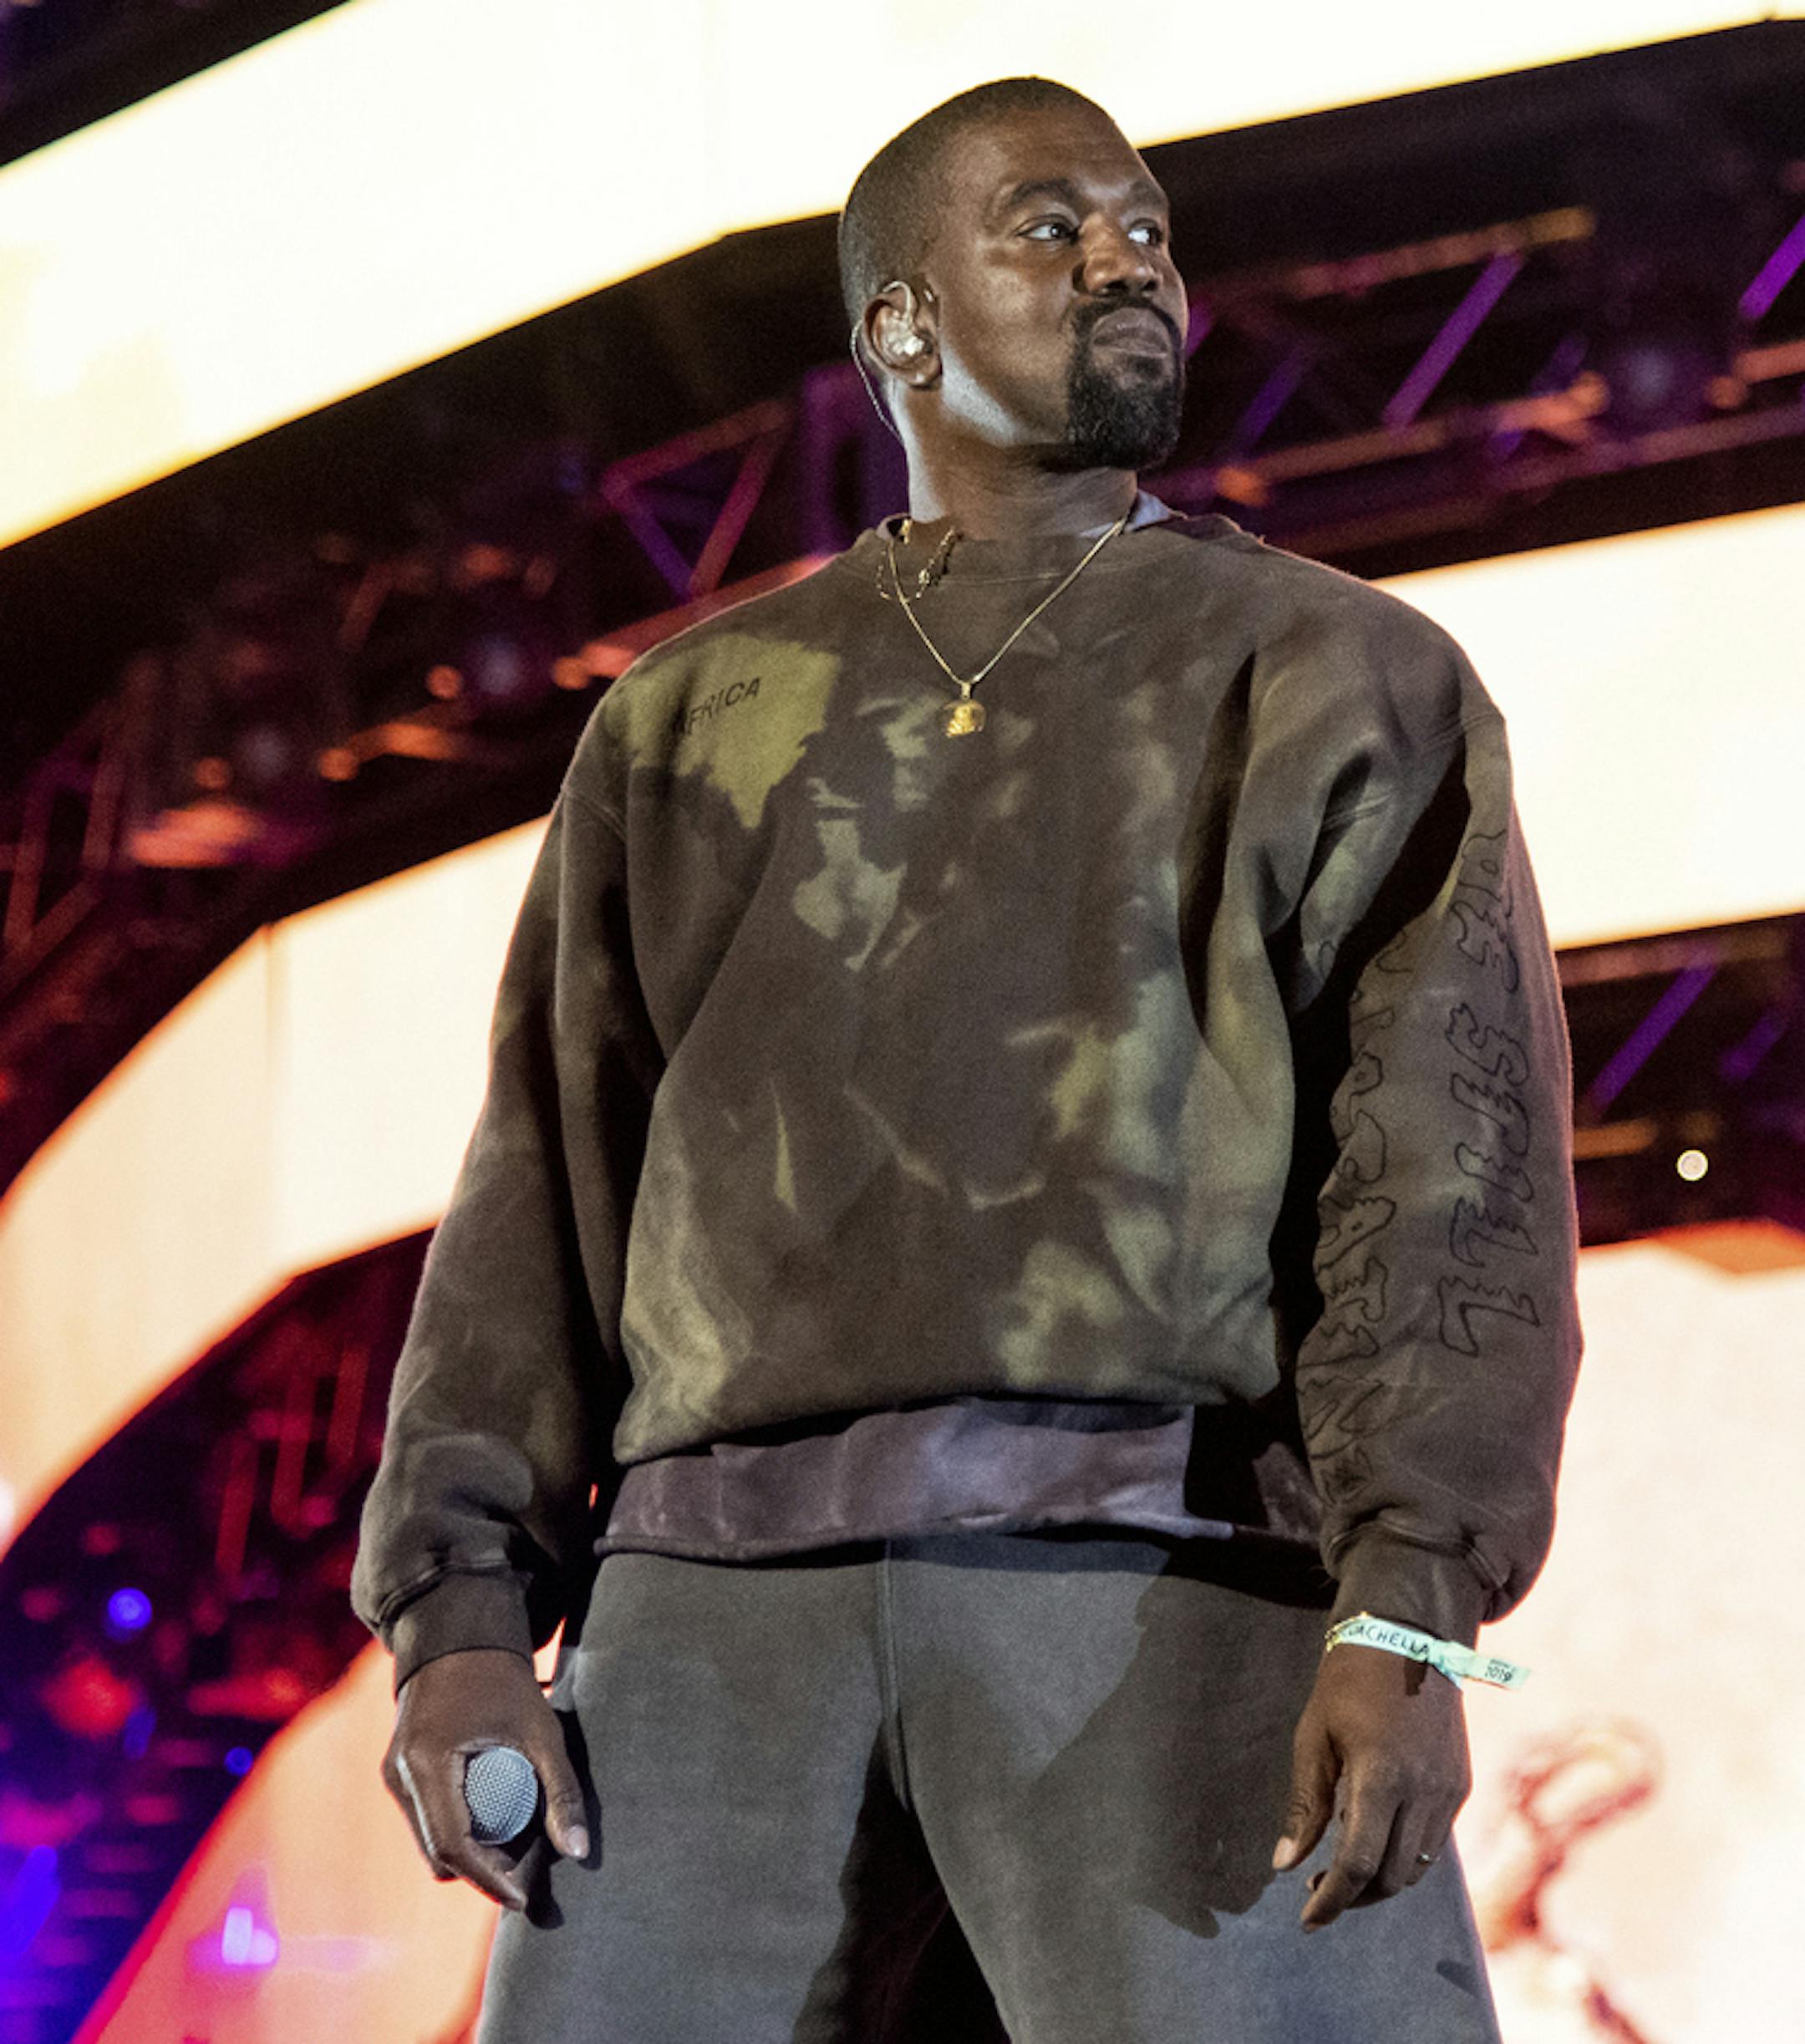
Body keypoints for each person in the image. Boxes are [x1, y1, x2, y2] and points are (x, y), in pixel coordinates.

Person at [352, 76, 1582, 2043]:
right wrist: (458, 1619)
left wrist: (1414, 1601)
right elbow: (541, 1181)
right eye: (1053, 225)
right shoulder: (689, 716)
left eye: (1150, 230)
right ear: (900, 326)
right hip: (710, 1610)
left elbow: (1451, 1175)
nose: (1128, 260)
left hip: (1163, 1571)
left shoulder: (1344, 675)